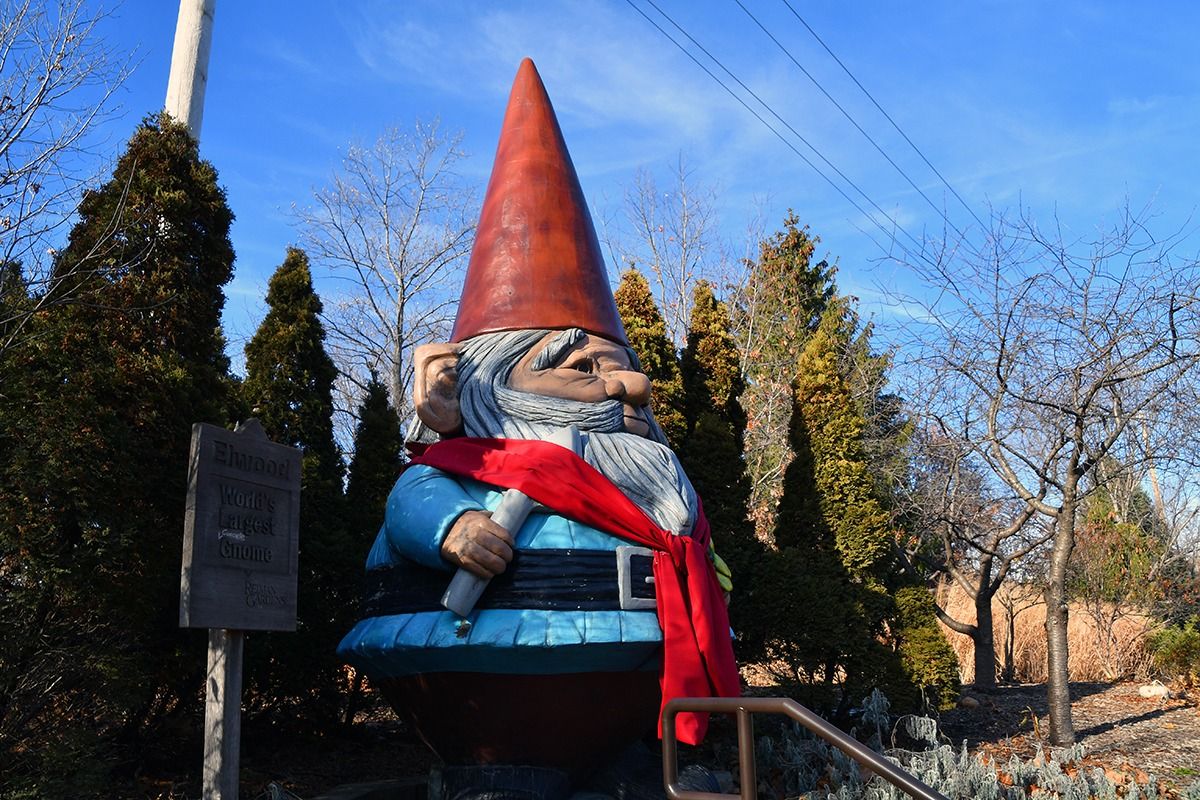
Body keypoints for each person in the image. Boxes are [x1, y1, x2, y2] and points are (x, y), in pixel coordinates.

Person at [337, 59, 736, 788]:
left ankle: (633, 764)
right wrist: (452, 530)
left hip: (633, 677)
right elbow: (411, 504)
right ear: (489, 380)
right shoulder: (466, 468)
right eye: (585, 368)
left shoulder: (650, 477)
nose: (631, 384)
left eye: (623, 366)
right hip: (488, 684)